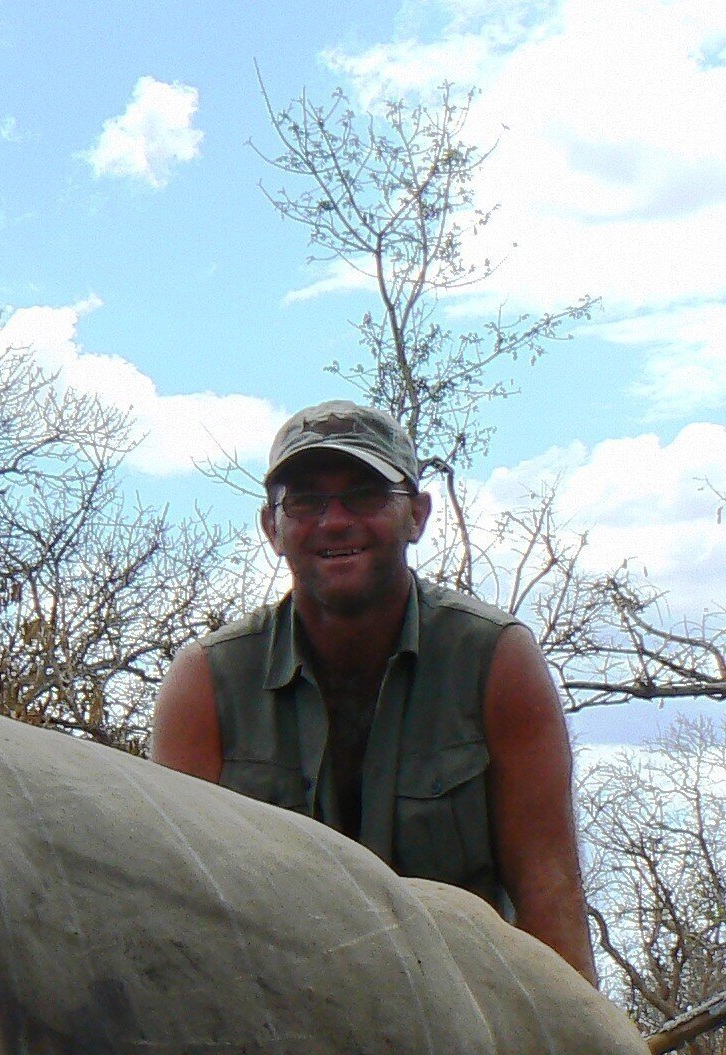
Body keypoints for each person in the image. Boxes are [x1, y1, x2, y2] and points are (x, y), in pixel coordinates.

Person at [151, 400, 597, 983]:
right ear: (272, 528)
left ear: (416, 515)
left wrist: (583, 1054)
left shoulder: (496, 659)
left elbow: (549, 887)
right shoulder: (206, 680)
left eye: (364, 495)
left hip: (468, 1016)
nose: (334, 521)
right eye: (306, 500)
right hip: (274, 1018)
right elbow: (176, 905)